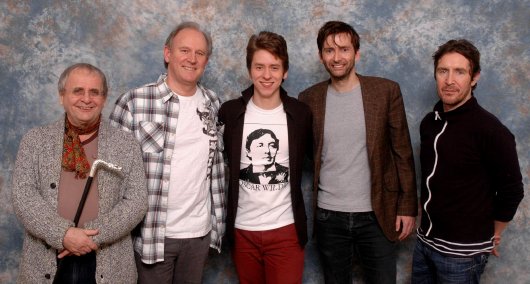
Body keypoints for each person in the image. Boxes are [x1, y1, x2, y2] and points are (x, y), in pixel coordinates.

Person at [298, 21, 417, 284]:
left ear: (357, 53)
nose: (337, 57)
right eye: (329, 50)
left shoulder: (385, 91)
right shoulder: (309, 98)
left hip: (377, 214)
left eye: (344, 49)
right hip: (329, 216)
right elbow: (309, 151)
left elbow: (402, 153)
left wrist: (407, 207)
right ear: (321, 56)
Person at [109, 21, 225, 284]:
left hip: (198, 234)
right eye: (184, 50)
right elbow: (109, 175)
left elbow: (216, 168)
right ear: (167, 53)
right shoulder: (134, 103)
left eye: (200, 53)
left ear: (206, 60)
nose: (192, 59)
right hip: (152, 235)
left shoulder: (214, 105)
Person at [11, 63, 148, 283]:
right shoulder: (35, 141)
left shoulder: (125, 144)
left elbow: (137, 201)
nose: (86, 99)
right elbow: (23, 196)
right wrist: (63, 234)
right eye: (78, 91)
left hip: (108, 262)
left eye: (94, 92)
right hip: (48, 259)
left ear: (103, 99)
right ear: (62, 96)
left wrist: (91, 236)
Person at [412, 39, 524, 283]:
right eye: (443, 71)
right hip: (424, 243)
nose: (449, 80)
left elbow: (512, 190)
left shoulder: (491, 130)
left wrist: (494, 234)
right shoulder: (429, 123)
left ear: (474, 78)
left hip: (461, 256)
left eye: (460, 71)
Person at [219, 31, 312, 284]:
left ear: (285, 71)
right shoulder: (230, 112)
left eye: (274, 67)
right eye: (259, 67)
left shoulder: (300, 114)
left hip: (286, 230)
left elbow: (315, 159)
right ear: (250, 70)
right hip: (243, 230)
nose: (267, 75)